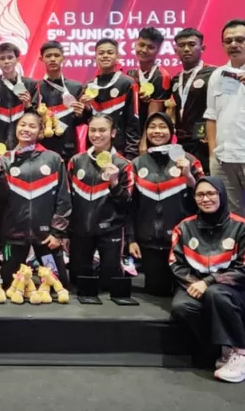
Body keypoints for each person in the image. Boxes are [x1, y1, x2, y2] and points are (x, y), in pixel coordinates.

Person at [170, 176, 245, 383]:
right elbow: (176, 264)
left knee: (216, 293)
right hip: (194, 283)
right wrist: (195, 284)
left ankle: (240, 351)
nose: (206, 199)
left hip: (234, 287)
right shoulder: (184, 227)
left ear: (222, 195)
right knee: (182, 306)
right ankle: (221, 348)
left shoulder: (241, 227)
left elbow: (243, 268)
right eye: (200, 195)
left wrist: (209, 282)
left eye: (211, 193)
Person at [0, 110, 71, 288]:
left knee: (58, 284)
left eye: (32, 126)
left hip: (46, 237)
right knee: (7, 285)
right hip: (14, 236)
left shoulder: (53, 159)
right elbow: (0, 201)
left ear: (41, 132)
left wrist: (57, 233)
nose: (26, 129)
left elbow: (63, 199)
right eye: (22, 125)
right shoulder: (5, 160)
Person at [127, 112, 203, 296]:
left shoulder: (190, 161)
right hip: (149, 244)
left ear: (171, 131)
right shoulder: (136, 164)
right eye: (152, 127)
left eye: (162, 127)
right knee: (157, 293)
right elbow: (130, 207)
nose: (157, 131)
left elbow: (204, 200)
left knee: (184, 295)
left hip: (182, 244)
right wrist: (131, 239)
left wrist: (188, 176)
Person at [67, 114, 133, 291]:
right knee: (77, 283)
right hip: (80, 231)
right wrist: (66, 231)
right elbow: (68, 199)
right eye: (93, 130)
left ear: (113, 133)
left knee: (109, 285)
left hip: (110, 230)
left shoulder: (124, 165)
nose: (96, 135)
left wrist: (114, 183)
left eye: (102, 130)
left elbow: (128, 203)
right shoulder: (76, 161)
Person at [204, 19, 245, 216]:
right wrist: (213, 155)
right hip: (224, 159)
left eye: (240, 40)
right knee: (233, 218)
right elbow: (211, 116)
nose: (234, 44)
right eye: (228, 41)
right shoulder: (217, 75)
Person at [82, 38, 140, 159]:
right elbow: (87, 121)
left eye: (110, 52)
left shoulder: (128, 83)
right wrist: (85, 109)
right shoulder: (89, 86)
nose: (105, 56)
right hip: (94, 148)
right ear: (95, 57)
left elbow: (133, 121)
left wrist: (131, 153)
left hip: (121, 150)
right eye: (101, 53)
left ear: (117, 56)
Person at [171, 28, 216, 174]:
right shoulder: (175, 79)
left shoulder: (214, 74)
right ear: (175, 50)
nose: (186, 49)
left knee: (206, 181)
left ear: (202, 48)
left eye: (191, 44)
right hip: (182, 142)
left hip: (204, 141)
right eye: (181, 45)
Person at [37, 41, 88, 163]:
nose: (52, 59)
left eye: (56, 55)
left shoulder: (76, 87)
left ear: (64, 58)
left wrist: (81, 113)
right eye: (48, 56)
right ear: (41, 59)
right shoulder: (35, 87)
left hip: (68, 147)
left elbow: (82, 120)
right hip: (41, 146)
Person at [0, 43, 39, 149]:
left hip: (25, 145)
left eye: (10, 57)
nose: (6, 61)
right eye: (2, 58)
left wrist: (28, 105)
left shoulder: (30, 85)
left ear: (17, 60)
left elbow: (38, 119)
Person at [127, 27, 172, 138]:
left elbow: (154, 119)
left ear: (159, 49)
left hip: (150, 137)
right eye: (141, 45)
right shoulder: (130, 74)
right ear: (135, 44)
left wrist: (144, 142)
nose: (144, 50)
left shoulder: (161, 76)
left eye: (151, 47)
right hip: (130, 136)